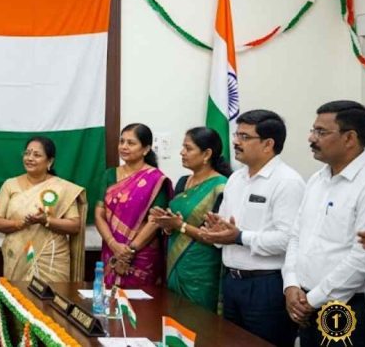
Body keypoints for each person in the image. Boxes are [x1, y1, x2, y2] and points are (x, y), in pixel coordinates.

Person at [201, 110, 303, 346]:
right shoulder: (236, 179)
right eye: (237, 134)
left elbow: (288, 239)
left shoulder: (287, 182)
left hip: (266, 286)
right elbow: (226, 229)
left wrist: (240, 237)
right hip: (232, 282)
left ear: (268, 144)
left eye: (245, 137)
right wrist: (215, 230)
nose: (235, 141)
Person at [283, 100, 365, 347]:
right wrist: (291, 284)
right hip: (305, 301)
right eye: (313, 130)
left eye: (321, 132)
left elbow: (362, 258)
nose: (311, 138)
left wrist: (311, 299)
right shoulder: (317, 179)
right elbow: (296, 236)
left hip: (344, 307)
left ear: (349, 138)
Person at [150, 126, 229, 311]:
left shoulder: (221, 187)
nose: (182, 152)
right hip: (174, 261)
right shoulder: (182, 182)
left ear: (207, 153)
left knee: (197, 322)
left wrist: (180, 225)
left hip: (201, 266)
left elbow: (216, 236)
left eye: (188, 148)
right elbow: (175, 221)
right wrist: (166, 223)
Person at [0, 136, 86, 283]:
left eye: (37, 155)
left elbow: (74, 226)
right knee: (20, 301)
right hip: (18, 255)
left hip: (52, 257)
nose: (30, 158)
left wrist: (46, 220)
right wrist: (19, 224)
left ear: (50, 161)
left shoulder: (61, 187)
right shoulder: (10, 185)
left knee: (51, 302)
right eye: (27, 153)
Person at [94, 123, 172, 289]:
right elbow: (99, 214)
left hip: (141, 254)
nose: (124, 146)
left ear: (146, 149)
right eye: (121, 141)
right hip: (111, 250)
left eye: (131, 143)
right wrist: (114, 245)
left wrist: (128, 251)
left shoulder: (156, 179)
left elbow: (155, 220)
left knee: (141, 307)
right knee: (108, 303)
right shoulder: (109, 174)